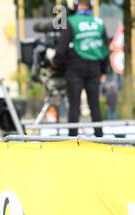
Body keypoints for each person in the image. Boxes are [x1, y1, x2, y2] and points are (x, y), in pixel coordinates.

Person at [48, 0, 109, 137]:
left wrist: (56, 63)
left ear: (76, 5)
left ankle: (72, 139)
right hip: (95, 68)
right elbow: (105, 48)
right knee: (95, 106)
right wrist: (105, 70)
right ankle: (100, 138)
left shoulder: (71, 21)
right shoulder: (98, 22)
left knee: (74, 106)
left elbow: (62, 48)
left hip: (75, 67)